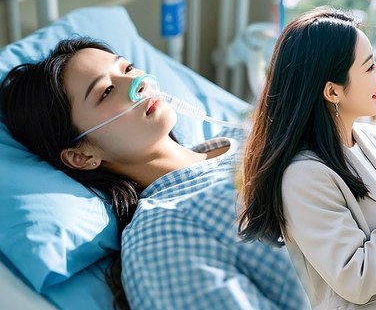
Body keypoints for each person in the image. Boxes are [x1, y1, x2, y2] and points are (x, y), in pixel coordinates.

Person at [0, 38, 309, 310]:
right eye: (106, 91)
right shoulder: (162, 236)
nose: (136, 84)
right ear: (83, 156)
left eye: (127, 68)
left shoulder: (257, 140)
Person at [238, 7, 376, 310]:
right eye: (369, 68)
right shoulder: (304, 175)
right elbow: (355, 278)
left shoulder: (373, 139)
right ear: (332, 91)